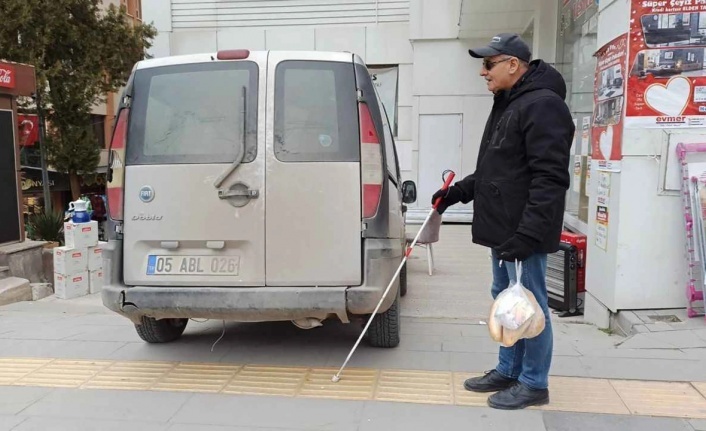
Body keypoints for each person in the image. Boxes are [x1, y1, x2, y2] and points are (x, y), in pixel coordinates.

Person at [431, 33, 574, 410]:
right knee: (507, 302)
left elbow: (550, 178)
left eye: (488, 64)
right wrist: (457, 192)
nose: (482, 72)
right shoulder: (509, 102)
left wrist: (528, 234)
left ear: (513, 64)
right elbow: (498, 168)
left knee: (529, 306)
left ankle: (533, 382)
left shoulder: (543, 106)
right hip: (504, 229)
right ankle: (509, 369)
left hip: (523, 230)